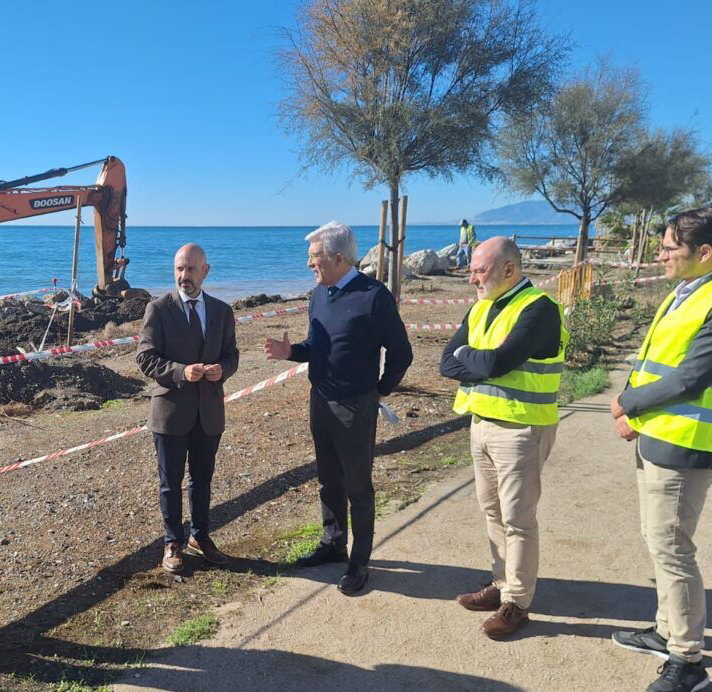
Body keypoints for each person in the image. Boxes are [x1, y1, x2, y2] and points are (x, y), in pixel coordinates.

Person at [609, 206, 712, 692]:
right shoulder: (687, 291)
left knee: (673, 549)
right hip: (660, 437)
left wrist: (627, 402)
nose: (660, 254)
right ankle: (665, 630)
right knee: (660, 543)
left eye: (669, 247)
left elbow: (690, 376)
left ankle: (688, 659)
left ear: (704, 252)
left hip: (689, 445)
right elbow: (655, 358)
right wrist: (634, 413)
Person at [264, 221, 412, 595]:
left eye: (314, 257)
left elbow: (401, 352)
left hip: (356, 405)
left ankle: (359, 562)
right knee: (329, 480)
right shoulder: (319, 294)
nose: (309, 264)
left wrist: (378, 391)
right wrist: (290, 353)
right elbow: (316, 347)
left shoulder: (373, 295)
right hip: (321, 400)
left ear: (339, 257)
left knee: (358, 486)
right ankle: (333, 543)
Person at [438, 237, 568, 639]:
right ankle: (500, 583)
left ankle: (517, 603)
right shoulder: (482, 306)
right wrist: (474, 361)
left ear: (509, 270)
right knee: (492, 512)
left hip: (521, 429)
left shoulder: (539, 309)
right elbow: (446, 362)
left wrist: (473, 359)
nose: (471, 276)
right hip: (482, 424)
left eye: (480, 270)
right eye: (473, 269)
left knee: (518, 520)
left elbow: (495, 362)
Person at [135, 243, 240, 573]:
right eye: (180, 268)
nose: (185, 276)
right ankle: (172, 542)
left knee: (203, 480)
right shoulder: (159, 308)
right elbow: (145, 358)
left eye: (192, 269)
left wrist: (224, 369)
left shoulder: (222, 311)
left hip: (208, 412)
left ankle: (200, 536)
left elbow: (231, 354)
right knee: (171, 483)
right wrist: (181, 372)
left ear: (206, 271)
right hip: (170, 411)